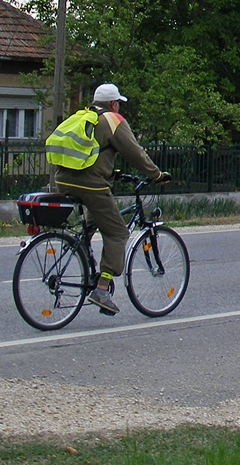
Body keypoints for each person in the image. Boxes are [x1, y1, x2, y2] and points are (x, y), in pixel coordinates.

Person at [52, 83, 171, 316]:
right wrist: (156, 175)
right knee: (117, 233)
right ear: (114, 104)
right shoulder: (113, 120)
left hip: (64, 180)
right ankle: (102, 289)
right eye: (119, 104)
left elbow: (91, 154)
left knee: (94, 220)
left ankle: (83, 254)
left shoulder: (84, 117)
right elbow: (135, 153)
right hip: (90, 185)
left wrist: (111, 172)